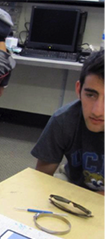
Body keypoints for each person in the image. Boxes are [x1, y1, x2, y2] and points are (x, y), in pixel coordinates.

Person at [31, 50, 105, 195]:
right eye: (90, 95)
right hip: (73, 185)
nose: (97, 111)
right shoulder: (63, 120)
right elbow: (41, 178)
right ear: (79, 90)